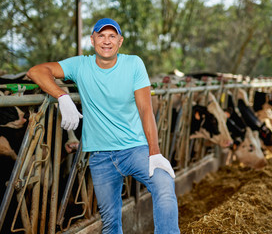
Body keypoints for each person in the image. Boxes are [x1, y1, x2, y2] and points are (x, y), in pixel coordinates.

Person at [27, 18, 180, 233]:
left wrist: (154, 152)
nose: (106, 41)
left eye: (112, 36)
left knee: (164, 185)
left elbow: (146, 110)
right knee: (110, 222)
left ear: (120, 41)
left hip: (135, 149)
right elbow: (36, 71)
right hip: (100, 157)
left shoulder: (134, 63)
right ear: (92, 40)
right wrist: (62, 96)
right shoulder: (80, 65)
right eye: (101, 35)